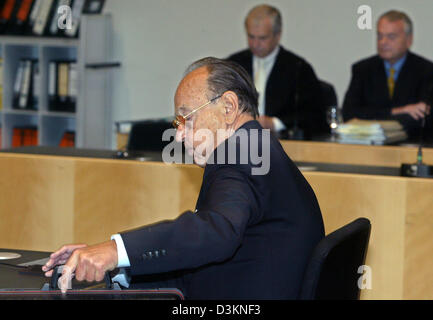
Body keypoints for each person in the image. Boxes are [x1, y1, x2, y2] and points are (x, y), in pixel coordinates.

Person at [42, 57, 324, 299]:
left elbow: (216, 232)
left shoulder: (241, 155)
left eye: (186, 118)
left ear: (228, 107)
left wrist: (116, 250)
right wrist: (118, 268)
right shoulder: (259, 148)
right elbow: (203, 265)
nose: (179, 135)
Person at [227, 4, 328, 139]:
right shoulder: (233, 65)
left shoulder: (298, 68)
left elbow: (313, 115)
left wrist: (275, 123)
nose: (255, 44)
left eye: (262, 38)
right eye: (251, 36)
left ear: (277, 35)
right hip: (236, 141)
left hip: (282, 144)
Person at [342, 10, 433, 141]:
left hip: (412, 146)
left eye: (391, 37)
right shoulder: (363, 69)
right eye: (379, 36)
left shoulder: (426, 70)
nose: (383, 42)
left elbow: (422, 119)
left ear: (409, 40)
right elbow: (349, 114)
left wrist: (374, 116)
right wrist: (399, 111)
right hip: (368, 148)